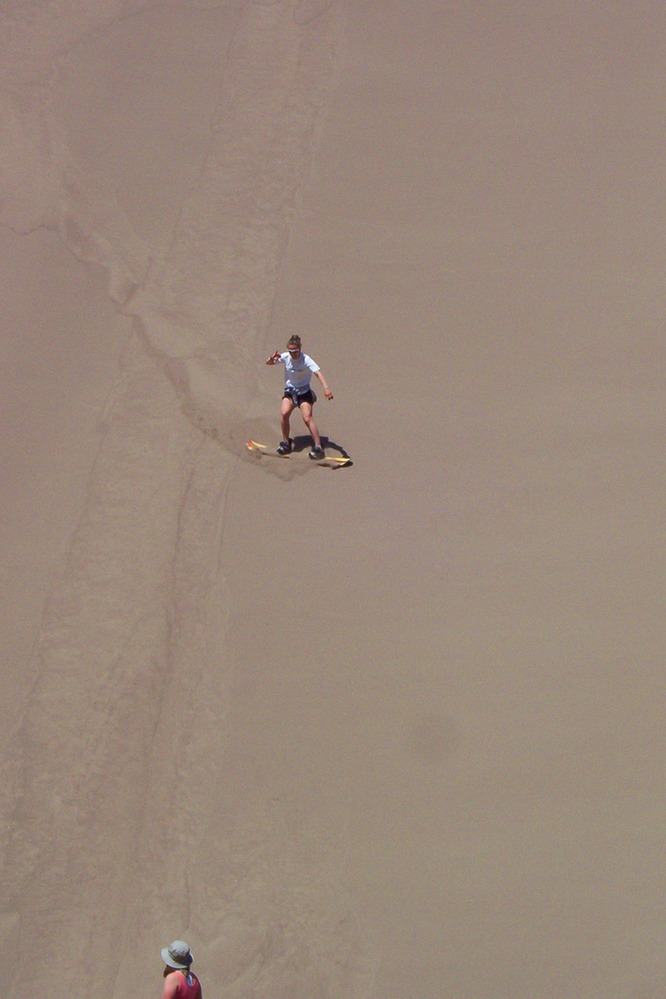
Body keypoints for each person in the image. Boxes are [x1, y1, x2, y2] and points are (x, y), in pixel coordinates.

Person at [266, 334, 334, 458]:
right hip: (290, 392)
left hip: (304, 392)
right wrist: (271, 358)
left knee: (307, 418)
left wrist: (326, 388)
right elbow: (269, 363)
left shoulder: (306, 359)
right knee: (284, 413)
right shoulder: (285, 357)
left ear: (299, 349)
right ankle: (286, 442)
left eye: (295, 351)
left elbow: (317, 373)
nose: (293, 354)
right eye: (290, 351)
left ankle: (318, 447)